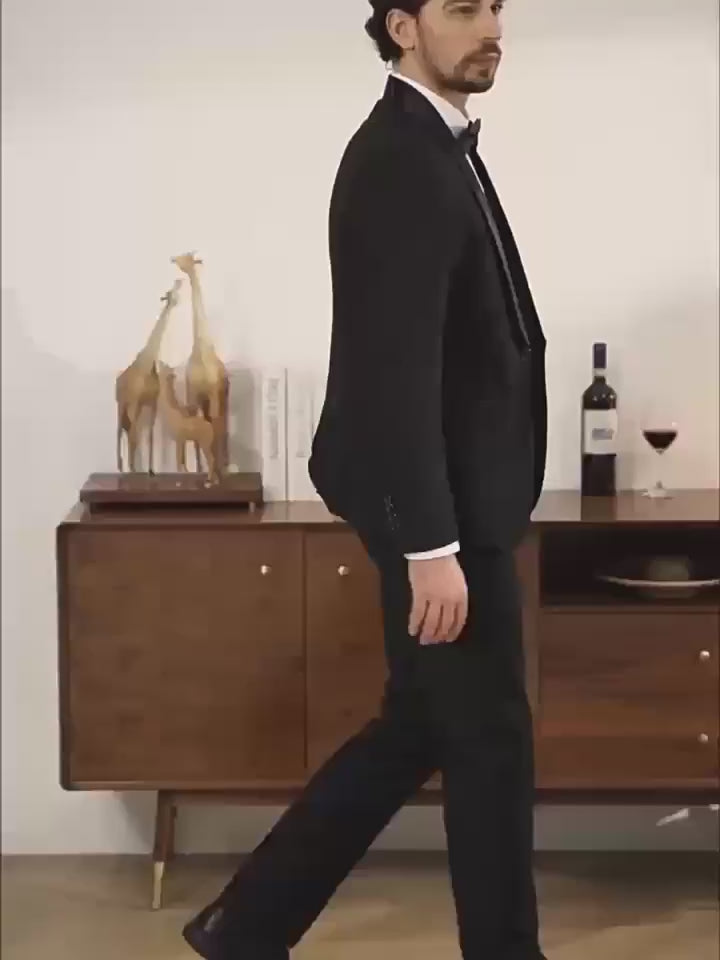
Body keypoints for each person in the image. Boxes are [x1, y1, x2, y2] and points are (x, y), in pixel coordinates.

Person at [183, 1, 548, 957]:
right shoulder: (398, 161)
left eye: (497, 6)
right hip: (445, 515)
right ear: (401, 27)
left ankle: (244, 927)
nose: (492, 25)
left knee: (420, 726)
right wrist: (432, 544)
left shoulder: (434, 146)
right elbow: (395, 370)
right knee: (491, 741)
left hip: (460, 502)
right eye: (463, 8)